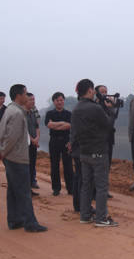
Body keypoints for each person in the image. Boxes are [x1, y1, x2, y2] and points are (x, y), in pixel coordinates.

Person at [0, 84, 47, 232]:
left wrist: (0, 150)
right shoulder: (17, 113)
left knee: (13, 191)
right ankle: (30, 223)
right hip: (17, 157)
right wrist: (2, 152)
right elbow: (11, 137)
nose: (27, 96)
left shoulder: (9, 110)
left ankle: (14, 220)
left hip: (10, 157)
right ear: (18, 96)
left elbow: (0, 132)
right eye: (25, 94)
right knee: (24, 192)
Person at [72, 79, 118, 226]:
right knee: (102, 186)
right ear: (90, 90)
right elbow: (109, 124)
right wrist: (111, 109)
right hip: (99, 152)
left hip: (84, 152)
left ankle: (85, 215)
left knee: (86, 185)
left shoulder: (76, 109)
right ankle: (101, 218)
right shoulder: (95, 108)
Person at [45, 92, 74, 196]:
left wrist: (55, 125)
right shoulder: (49, 113)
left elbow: (69, 126)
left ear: (64, 101)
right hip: (54, 141)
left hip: (66, 140)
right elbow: (48, 125)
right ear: (54, 102)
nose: (59, 102)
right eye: (57, 100)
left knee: (68, 165)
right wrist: (63, 123)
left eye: (61, 100)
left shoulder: (68, 113)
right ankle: (56, 188)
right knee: (54, 165)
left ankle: (71, 188)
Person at [95, 85, 116, 198]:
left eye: (106, 92)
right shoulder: (93, 106)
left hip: (108, 138)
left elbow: (111, 121)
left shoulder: (109, 105)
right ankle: (95, 190)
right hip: (97, 140)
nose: (104, 94)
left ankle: (104, 189)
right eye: (102, 92)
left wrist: (112, 107)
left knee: (107, 165)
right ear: (96, 93)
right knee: (97, 165)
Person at [25, 93, 40, 196]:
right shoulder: (22, 114)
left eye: (33, 99)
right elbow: (24, 130)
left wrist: (37, 138)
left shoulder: (33, 114)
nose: (32, 101)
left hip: (34, 144)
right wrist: (31, 139)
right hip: (26, 145)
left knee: (32, 166)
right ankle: (26, 189)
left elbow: (37, 127)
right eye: (30, 99)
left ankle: (30, 186)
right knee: (26, 167)